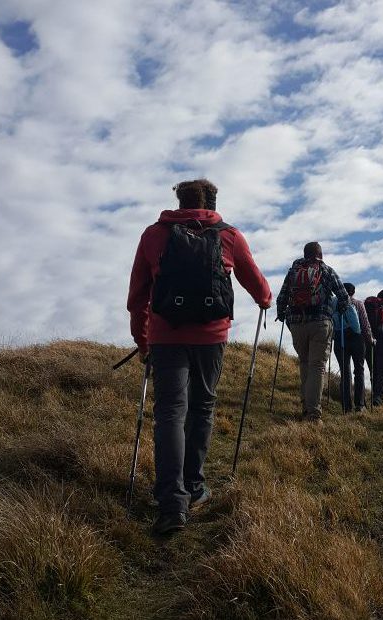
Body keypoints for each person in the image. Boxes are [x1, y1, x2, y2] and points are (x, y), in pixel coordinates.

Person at [127, 179, 271, 535]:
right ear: (213, 201)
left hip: (166, 335)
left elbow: (138, 293)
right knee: (202, 407)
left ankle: (171, 502)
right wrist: (266, 300)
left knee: (169, 413)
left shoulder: (153, 235)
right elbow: (258, 286)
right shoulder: (230, 236)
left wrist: (142, 339)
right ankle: (194, 487)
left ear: (178, 202)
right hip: (211, 335)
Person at [276, 242, 350, 424]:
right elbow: (343, 296)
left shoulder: (293, 271)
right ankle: (313, 414)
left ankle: (305, 407)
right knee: (317, 366)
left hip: (297, 324)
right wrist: (338, 311)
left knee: (304, 363)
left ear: (305, 254)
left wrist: (284, 316)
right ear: (321, 254)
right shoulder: (326, 270)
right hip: (320, 323)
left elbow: (281, 298)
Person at [330, 283, 373, 413]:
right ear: (353, 292)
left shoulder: (333, 304)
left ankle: (346, 407)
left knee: (345, 372)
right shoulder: (358, 304)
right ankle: (360, 405)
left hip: (339, 338)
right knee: (359, 370)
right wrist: (370, 339)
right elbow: (364, 324)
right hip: (357, 339)